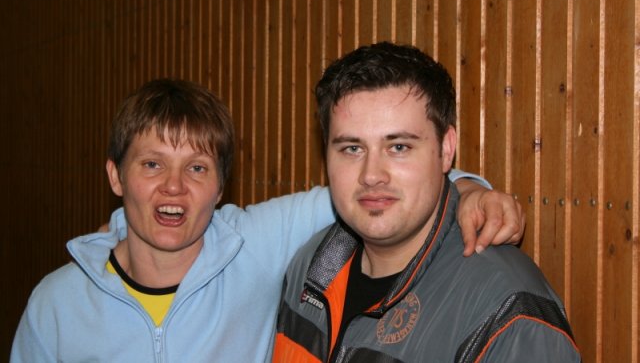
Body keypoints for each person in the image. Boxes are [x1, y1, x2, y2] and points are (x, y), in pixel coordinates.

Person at [11, 79, 523, 362]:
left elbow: (370, 190)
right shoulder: (56, 305)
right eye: (151, 165)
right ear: (116, 177)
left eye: (197, 168)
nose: (174, 186)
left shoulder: (253, 242)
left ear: (221, 187)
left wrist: (468, 190)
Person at [273, 42, 580, 362]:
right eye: (352, 148)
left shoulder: (506, 312)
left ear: (446, 150)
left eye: (399, 147)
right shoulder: (310, 267)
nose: (372, 175)